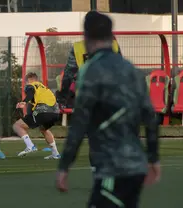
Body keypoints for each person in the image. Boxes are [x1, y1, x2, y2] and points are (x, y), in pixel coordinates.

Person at [56, 11, 161, 208]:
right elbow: (150, 117)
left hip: (111, 168)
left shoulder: (90, 71)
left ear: (86, 36)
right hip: (136, 168)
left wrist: (64, 166)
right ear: (111, 35)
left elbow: (79, 124)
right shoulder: (131, 69)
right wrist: (153, 157)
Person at [13, 72, 60, 159]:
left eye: (25, 82)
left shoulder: (31, 85)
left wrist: (24, 102)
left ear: (29, 80)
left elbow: (30, 93)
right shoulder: (44, 88)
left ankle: (30, 146)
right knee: (44, 129)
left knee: (17, 125)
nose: (25, 84)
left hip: (43, 111)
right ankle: (55, 154)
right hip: (56, 113)